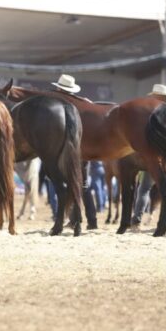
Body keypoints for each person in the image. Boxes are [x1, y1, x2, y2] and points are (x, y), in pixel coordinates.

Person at [51, 73, 97, 228]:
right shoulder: (84, 103)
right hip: (84, 149)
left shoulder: (57, 105)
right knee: (84, 185)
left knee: (68, 182)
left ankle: (74, 219)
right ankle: (92, 220)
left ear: (59, 88)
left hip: (68, 150)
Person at [132, 84, 166, 229]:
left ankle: (137, 220)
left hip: (152, 158)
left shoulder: (149, 116)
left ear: (158, 97)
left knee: (144, 189)